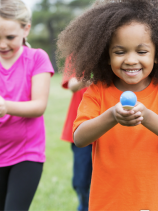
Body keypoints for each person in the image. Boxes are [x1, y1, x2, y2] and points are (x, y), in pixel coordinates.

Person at [57, 0, 158, 211]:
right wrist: (112, 115)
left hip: (155, 203)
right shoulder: (98, 91)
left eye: (142, 51)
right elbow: (80, 138)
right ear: (106, 56)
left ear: (157, 54)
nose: (131, 60)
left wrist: (148, 116)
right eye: (120, 52)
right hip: (108, 203)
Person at [0, 0, 54, 211]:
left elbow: (39, 106)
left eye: (10, 37)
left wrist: (6, 107)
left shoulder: (37, 58)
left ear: (26, 29)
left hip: (26, 153)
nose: (2, 44)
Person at [61, 61, 92, 211]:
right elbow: (73, 85)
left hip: (113, 130)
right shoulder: (78, 52)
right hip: (81, 128)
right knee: (81, 181)